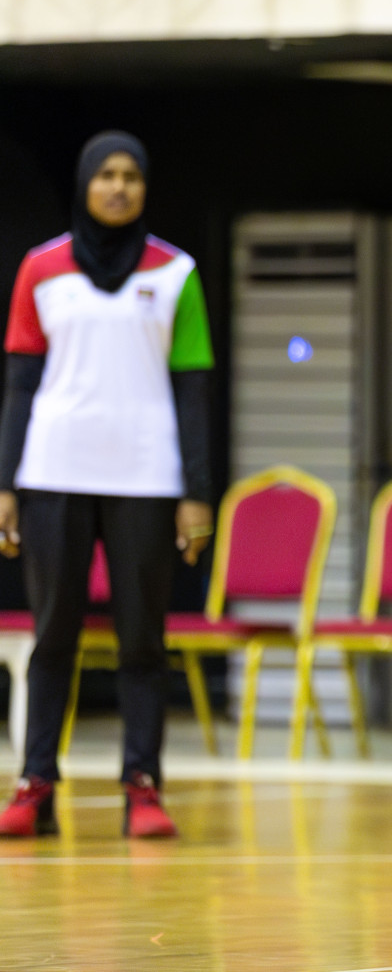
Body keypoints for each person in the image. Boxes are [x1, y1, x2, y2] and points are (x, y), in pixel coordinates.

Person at [0, 131, 216, 839]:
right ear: (85, 183)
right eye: (106, 176)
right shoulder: (40, 268)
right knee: (53, 635)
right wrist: (5, 483)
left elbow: (192, 390)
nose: (119, 187)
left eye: (131, 176)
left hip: (147, 477)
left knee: (141, 642)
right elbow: (21, 385)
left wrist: (196, 491)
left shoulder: (177, 273)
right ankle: (36, 784)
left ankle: (143, 785)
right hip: (54, 470)